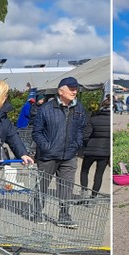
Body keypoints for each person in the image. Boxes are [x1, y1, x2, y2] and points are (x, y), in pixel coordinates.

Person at [30, 76, 88, 228]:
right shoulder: (46, 109)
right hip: (48, 156)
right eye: (71, 89)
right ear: (60, 91)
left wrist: (77, 143)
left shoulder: (79, 108)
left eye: (76, 89)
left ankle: (64, 216)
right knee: (42, 185)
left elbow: (82, 128)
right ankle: (37, 212)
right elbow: (37, 132)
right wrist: (46, 146)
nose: (74, 92)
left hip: (69, 155)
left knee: (67, 187)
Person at [80, 95, 110, 200]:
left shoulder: (93, 119)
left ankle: (84, 192)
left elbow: (85, 136)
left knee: (84, 170)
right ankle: (93, 197)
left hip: (91, 150)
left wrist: (87, 145)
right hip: (105, 152)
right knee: (99, 175)